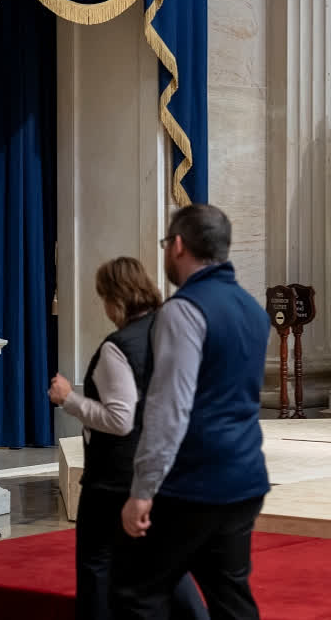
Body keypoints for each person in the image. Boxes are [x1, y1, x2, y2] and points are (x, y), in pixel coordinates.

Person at [111, 205, 271, 620]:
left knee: (136, 593)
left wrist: (143, 490)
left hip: (193, 481)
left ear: (178, 246)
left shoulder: (183, 310)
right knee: (230, 597)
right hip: (245, 475)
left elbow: (169, 409)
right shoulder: (252, 309)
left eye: (167, 244)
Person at [48, 257, 206, 620]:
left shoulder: (118, 347)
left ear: (116, 299)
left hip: (115, 477)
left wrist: (68, 399)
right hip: (165, 465)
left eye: (104, 297)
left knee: (96, 564)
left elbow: (120, 419)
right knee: (165, 560)